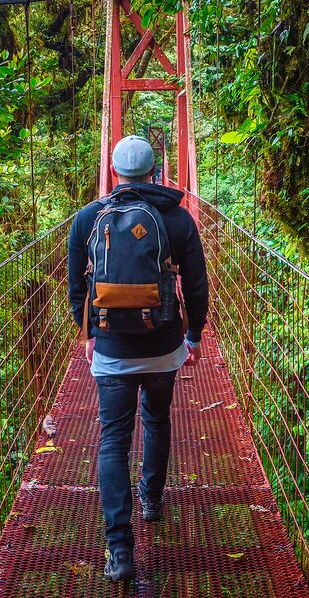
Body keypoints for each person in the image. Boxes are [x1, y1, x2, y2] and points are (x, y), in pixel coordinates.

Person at [67, 134, 209, 582]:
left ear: (113, 173)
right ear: (154, 173)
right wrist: (194, 335)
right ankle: (151, 499)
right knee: (157, 419)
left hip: (110, 351)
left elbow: (76, 289)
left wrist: (90, 332)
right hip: (164, 346)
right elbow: (197, 285)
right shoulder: (178, 219)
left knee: (112, 440)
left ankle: (120, 549)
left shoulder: (87, 218)